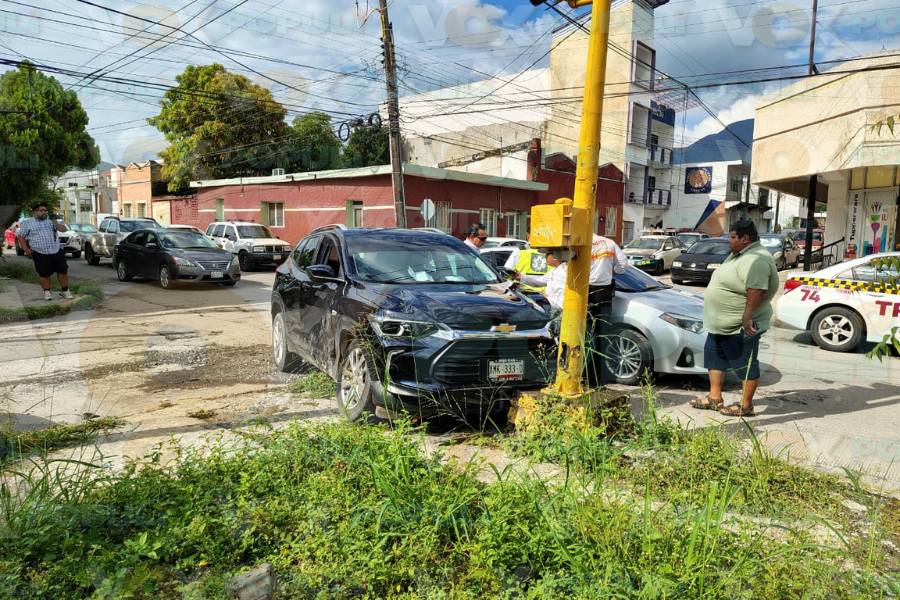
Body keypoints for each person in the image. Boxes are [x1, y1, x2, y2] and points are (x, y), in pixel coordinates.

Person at [692, 219, 778, 417]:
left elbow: (756, 290)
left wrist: (747, 317)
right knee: (715, 359)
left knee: (744, 363)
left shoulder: (756, 259)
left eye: (732, 237)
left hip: (739, 326)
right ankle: (715, 398)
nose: (729, 241)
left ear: (745, 238)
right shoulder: (739, 254)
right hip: (720, 325)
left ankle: (746, 406)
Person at [16, 203, 72, 301]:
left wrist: (55, 222)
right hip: (39, 252)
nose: (45, 212)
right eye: (42, 210)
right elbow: (21, 236)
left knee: (63, 271)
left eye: (46, 210)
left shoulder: (51, 221)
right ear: (35, 212)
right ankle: (47, 292)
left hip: (56, 250)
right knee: (44, 273)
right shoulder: (27, 223)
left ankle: (65, 291)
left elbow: (63, 230)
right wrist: (25, 249)